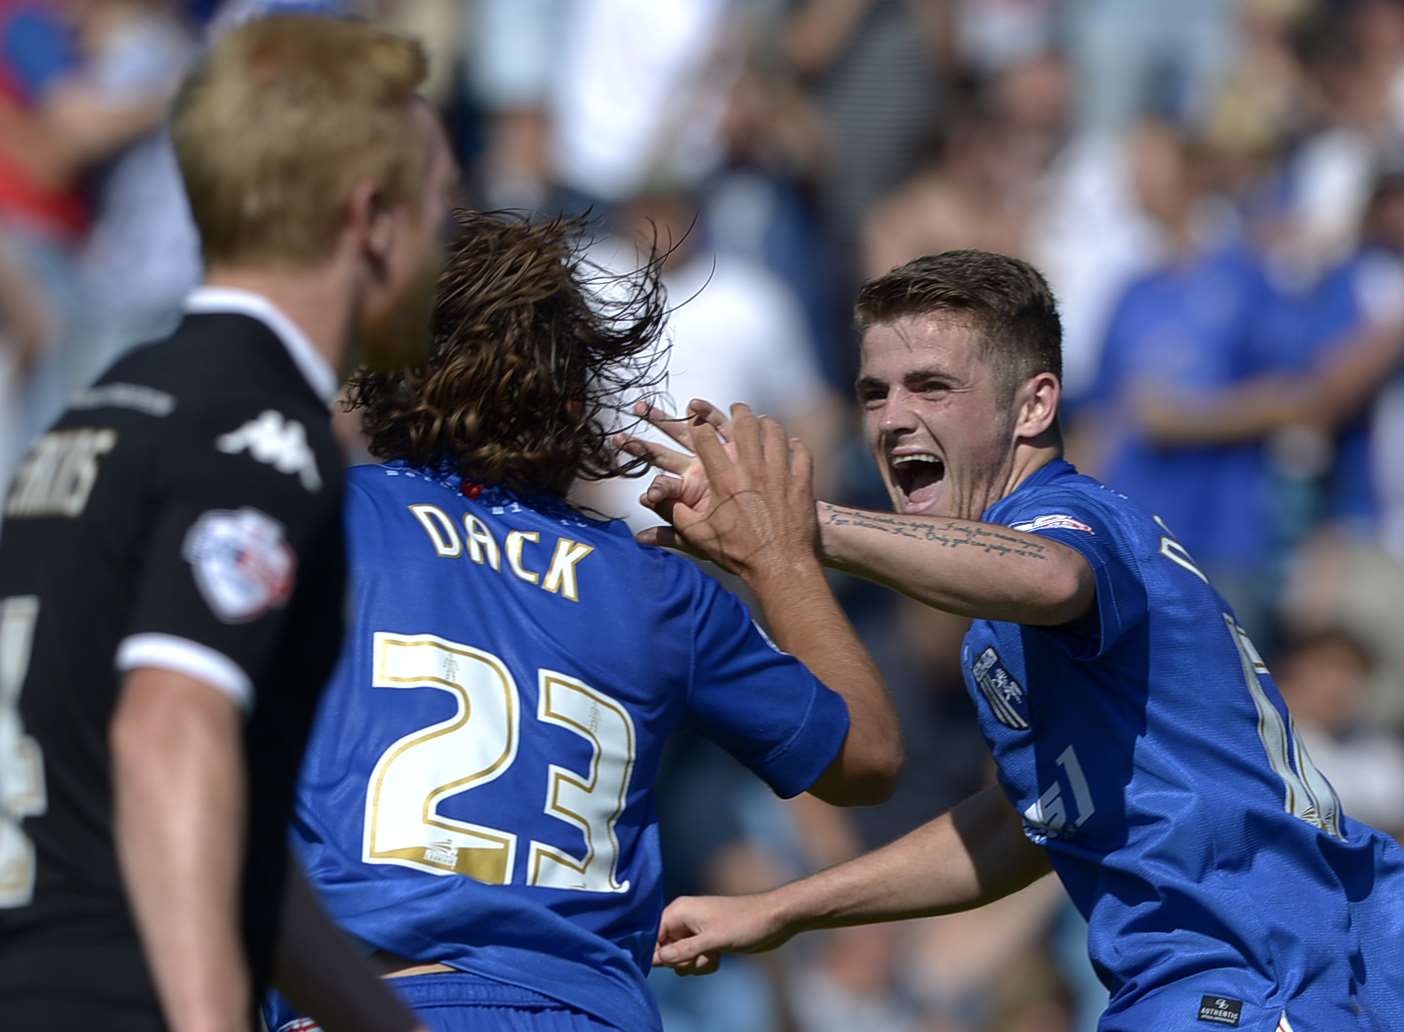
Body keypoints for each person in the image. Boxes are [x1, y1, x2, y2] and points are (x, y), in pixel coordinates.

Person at [631, 250, 1404, 1032]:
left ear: (1033, 407)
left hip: (1255, 975)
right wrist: (780, 910)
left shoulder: (1076, 517)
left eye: (931, 384)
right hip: (1268, 975)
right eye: (874, 392)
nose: (893, 415)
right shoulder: (998, 630)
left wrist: (798, 525)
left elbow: (1052, 577)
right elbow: (1021, 826)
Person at [261, 210, 902, 1032]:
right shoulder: (656, 588)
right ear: (575, 396)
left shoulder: (318, 523)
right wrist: (781, 557)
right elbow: (867, 757)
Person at [0, 15, 458, 1032]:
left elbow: (232, 852)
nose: (449, 241)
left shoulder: (105, 407)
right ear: (372, 217)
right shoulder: (262, 434)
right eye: (443, 204)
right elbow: (172, 726)